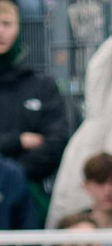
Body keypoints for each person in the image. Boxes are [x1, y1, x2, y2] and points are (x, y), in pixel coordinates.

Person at [0, 0, 68, 211]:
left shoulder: (42, 86)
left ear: (20, 27)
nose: (0, 31)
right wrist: (19, 140)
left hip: (30, 199)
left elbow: (56, 142)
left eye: (7, 23)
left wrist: (13, 175)